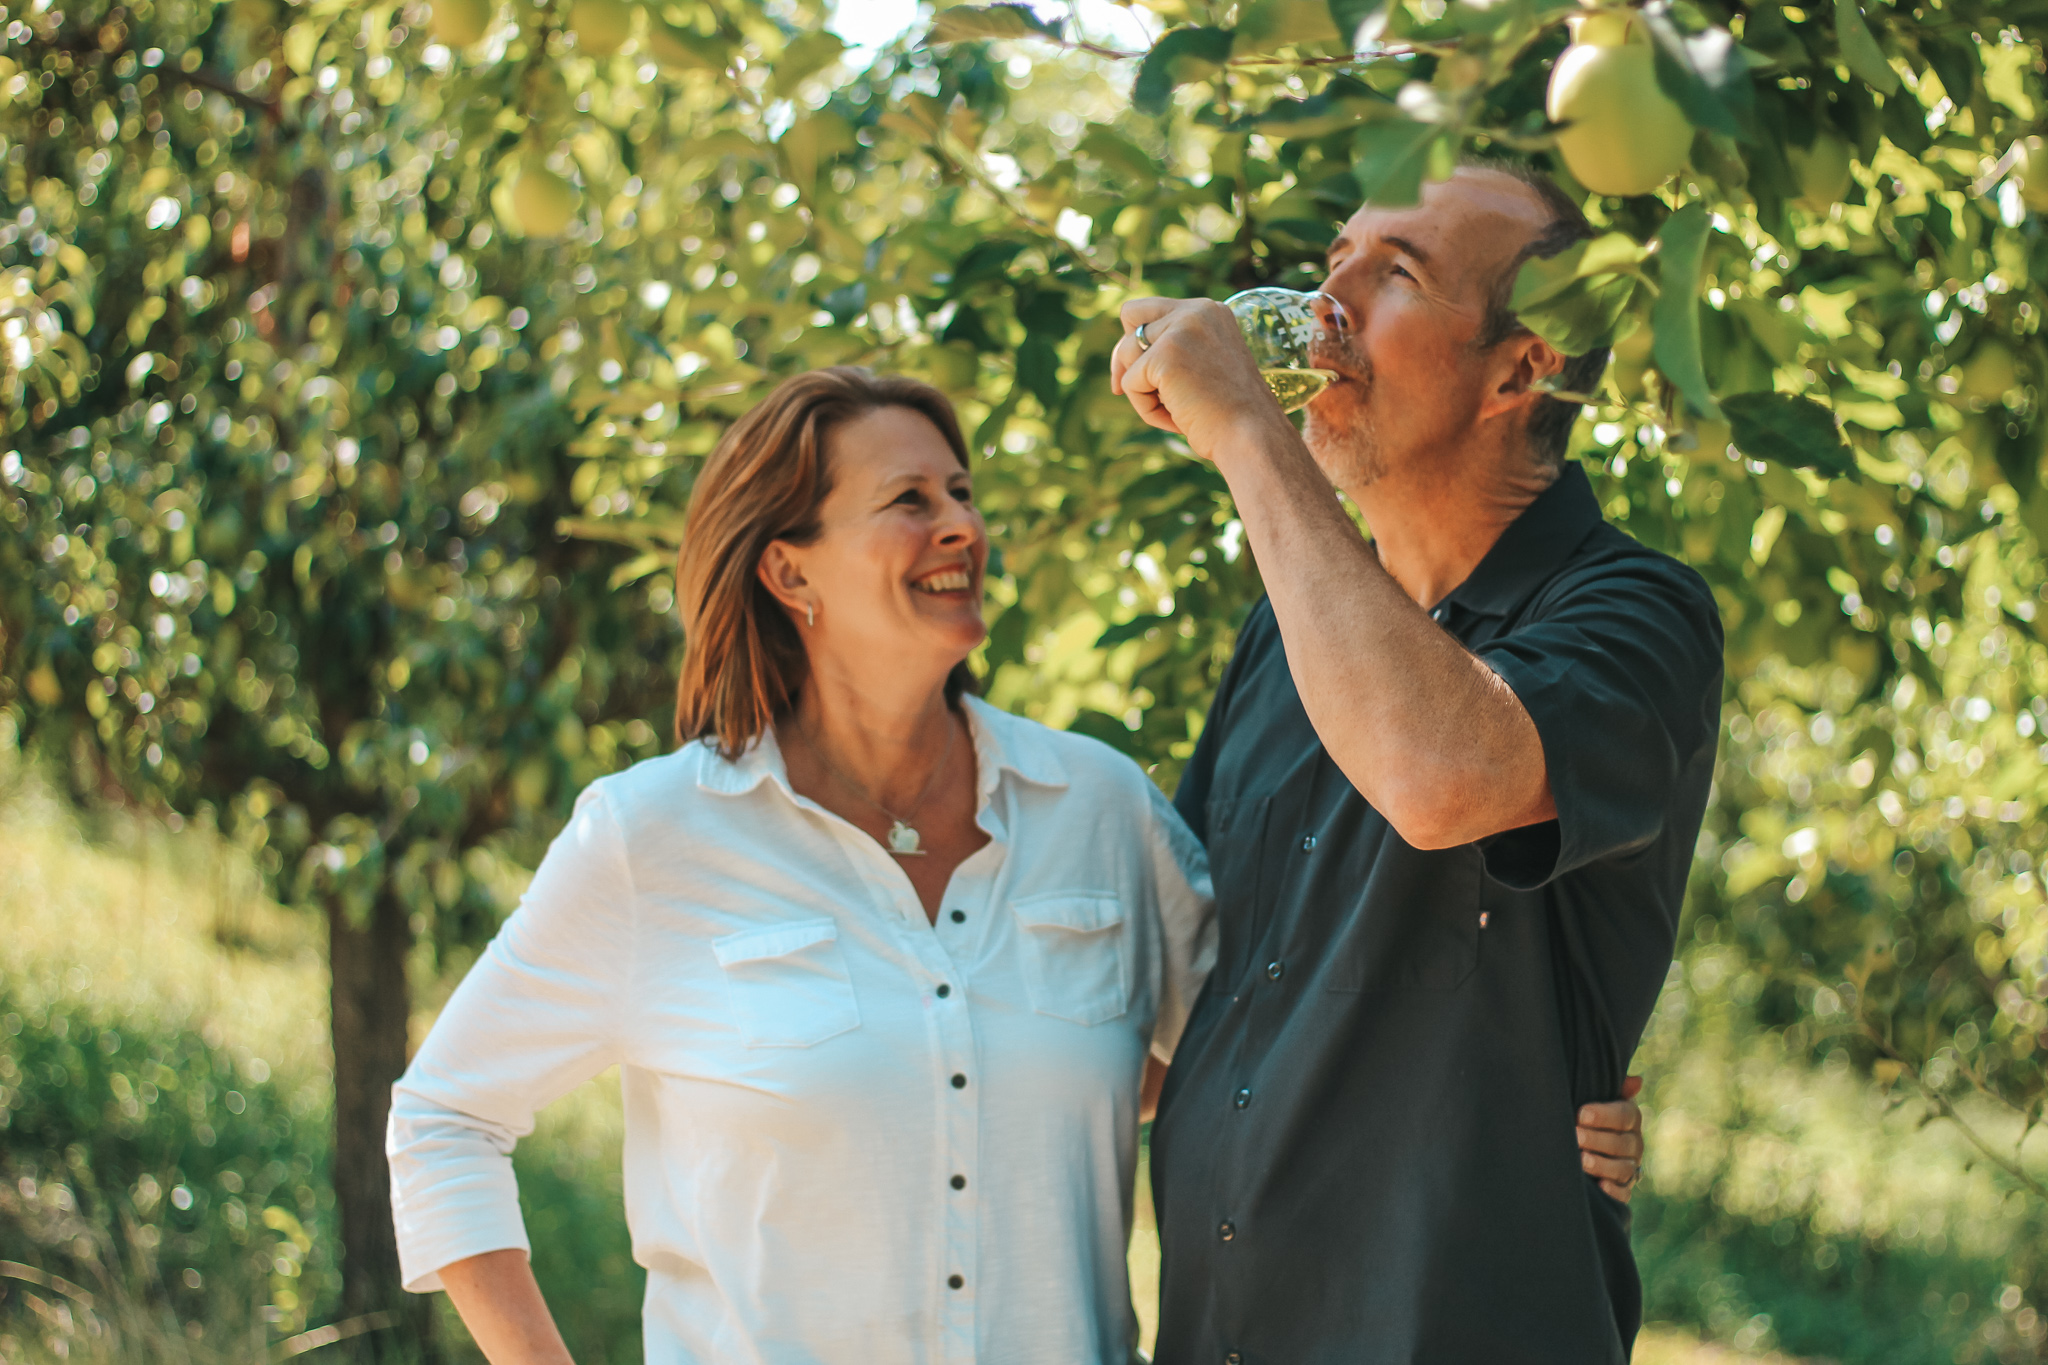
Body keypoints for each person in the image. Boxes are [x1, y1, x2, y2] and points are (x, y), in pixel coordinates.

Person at [386, 367, 1648, 1364]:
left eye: (961, 492)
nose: (960, 526)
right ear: (787, 571)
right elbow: (443, 1118)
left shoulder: (1097, 808)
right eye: (907, 501)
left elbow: (1273, 1040)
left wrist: (1530, 1098)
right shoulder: (653, 838)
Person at [1112, 163, 1721, 1364]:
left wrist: (1244, 428)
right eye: (1333, 258)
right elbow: (1175, 1009)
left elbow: (1440, 778)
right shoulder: (1279, 635)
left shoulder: (1637, 613)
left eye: (1393, 274)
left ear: (1520, 369)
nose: (1323, 304)